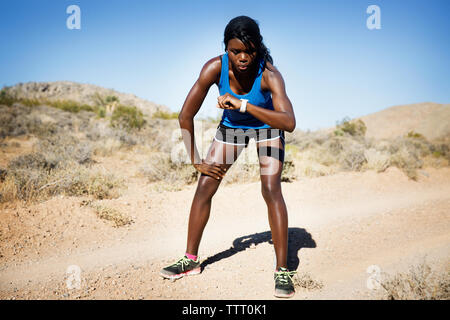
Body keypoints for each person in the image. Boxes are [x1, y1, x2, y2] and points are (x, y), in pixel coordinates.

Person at [160, 16, 297, 298]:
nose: (243, 57)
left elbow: (289, 122)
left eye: (249, 51)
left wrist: (244, 105)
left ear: (258, 48)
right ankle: (190, 260)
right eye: (236, 52)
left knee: (271, 190)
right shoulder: (214, 68)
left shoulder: (270, 74)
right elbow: (185, 115)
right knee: (204, 186)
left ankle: (282, 271)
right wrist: (196, 159)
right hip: (232, 129)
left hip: (269, 129)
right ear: (226, 49)